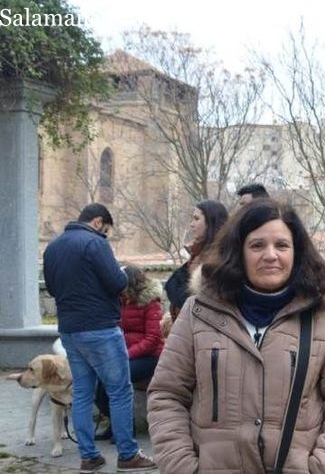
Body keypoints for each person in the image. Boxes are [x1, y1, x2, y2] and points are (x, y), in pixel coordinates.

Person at [147, 199, 325, 473]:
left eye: (282, 245)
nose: (271, 255)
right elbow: (167, 395)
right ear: (238, 251)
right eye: (257, 245)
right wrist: (182, 466)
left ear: (296, 253)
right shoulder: (199, 313)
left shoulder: (322, 318)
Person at [43, 203, 156, 473]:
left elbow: (51, 288)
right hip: (100, 328)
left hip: (69, 329)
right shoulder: (95, 244)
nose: (105, 234)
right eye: (105, 229)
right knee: (119, 390)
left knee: (82, 391)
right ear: (97, 222)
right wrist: (116, 271)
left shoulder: (53, 248)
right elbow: (119, 283)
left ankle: (89, 456)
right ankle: (128, 454)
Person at [94, 264, 165, 443]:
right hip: (124, 354)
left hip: (150, 357)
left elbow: (153, 339)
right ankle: (115, 423)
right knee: (97, 383)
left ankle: (126, 427)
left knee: (117, 378)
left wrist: (126, 354)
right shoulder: (119, 301)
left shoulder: (151, 302)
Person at [164, 199, 228, 322]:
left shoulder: (218, 258)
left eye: (196, 219)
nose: (191, 224)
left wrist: (177, 289)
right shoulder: (197, 254)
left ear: (211, 222)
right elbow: (171, 284)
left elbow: (190, 300)